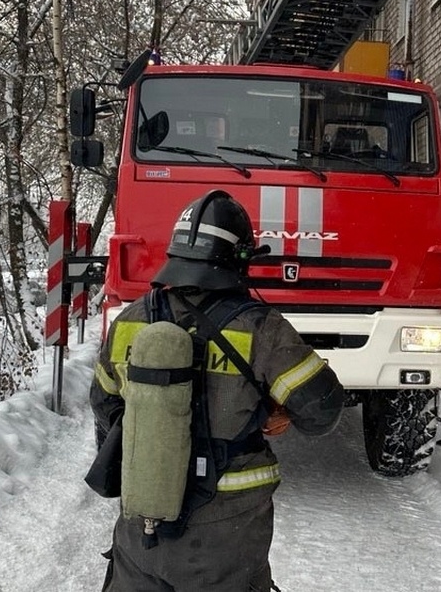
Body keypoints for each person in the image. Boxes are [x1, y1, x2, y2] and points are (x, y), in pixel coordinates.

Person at [90, 189, 344, 592]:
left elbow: (105, 406)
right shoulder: (261, 328)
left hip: (142, 531)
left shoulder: (132, 320)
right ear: (238, 259)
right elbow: (323, 410)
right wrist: (279, 412)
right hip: (227, 533)